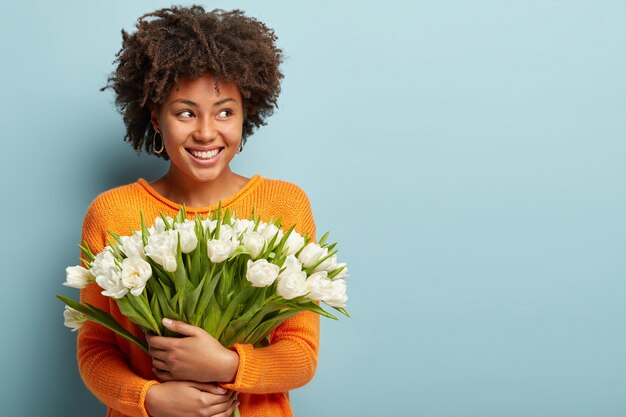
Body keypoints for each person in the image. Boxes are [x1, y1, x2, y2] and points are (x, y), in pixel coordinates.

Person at [77, 5, 319, 417]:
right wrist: (149, 399)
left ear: (247, 116)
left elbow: (302, 352)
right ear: (156, 118)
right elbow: (95, 348)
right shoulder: (112, 213)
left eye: (225, 111)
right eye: (186, 112)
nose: (206, 132)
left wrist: (229, 365)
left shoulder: (284, 206)